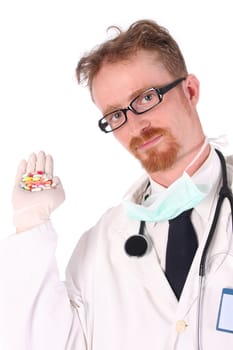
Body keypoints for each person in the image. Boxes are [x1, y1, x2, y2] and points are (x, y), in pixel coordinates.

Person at [0, 19, 233, 350]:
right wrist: (30, 226)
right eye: (115, 115)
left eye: (145, 98)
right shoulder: (102, 245)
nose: (135, 124)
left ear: (190, 91)